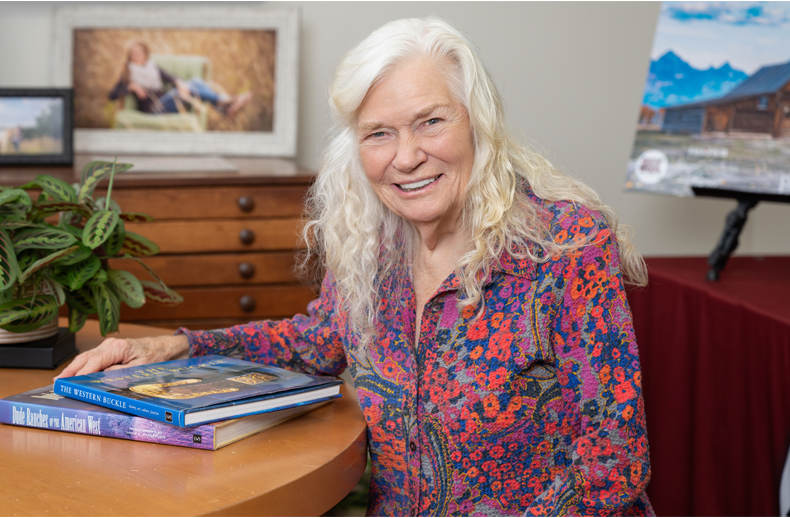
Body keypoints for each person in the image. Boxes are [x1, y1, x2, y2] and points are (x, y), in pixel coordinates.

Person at [62, 17, 653, 516]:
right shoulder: (373, 246)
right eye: (379, 133)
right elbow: (313, 343)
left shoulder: (564, 247)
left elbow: (616, 462)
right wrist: (177, 347)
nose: (406, 156)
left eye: (431, 121)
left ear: (479, 121)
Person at [108, 41, 252, 119]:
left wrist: (180, 84)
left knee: (195, 82)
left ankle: (223, 106)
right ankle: (225, 104)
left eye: (140, 52)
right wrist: (131, 87)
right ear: (130, 55)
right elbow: (111, 95)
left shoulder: (153, 67)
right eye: (134, 53)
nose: (138, 55)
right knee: (189, 86)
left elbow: (171, 77)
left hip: (167, 102)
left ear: (145, 54)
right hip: (154, 110)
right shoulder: (128, 74)